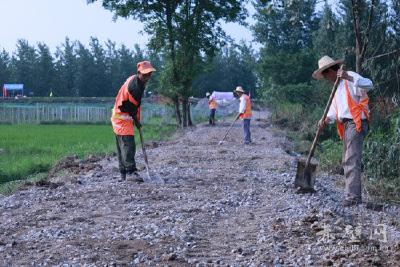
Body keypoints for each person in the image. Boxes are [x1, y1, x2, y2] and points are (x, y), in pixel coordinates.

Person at [314, 56, 373, 207]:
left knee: (351, 159)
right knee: (347, 159)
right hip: (346, 125)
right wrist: (324, 120)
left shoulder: (351, 76)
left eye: (326, 75)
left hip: (356, 122)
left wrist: (348, 77)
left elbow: (369, 84)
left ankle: (353, 198)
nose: (326, 79)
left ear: (331, 71)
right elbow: (334, 111)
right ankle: (351, 194)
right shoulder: (336, 87)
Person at [111, 61, 156, 182]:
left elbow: (133, 107)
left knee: (123, 146)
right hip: (121, 117)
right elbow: (131, 108)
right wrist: (137, 121)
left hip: (122, 116)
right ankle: (130, 172)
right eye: (145, 74)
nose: (147, 77)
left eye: (149, 74)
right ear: (139, 73)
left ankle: (123, 173)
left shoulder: (136, 80)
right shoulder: (135, 87)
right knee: (128, 145)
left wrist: (136, 120)